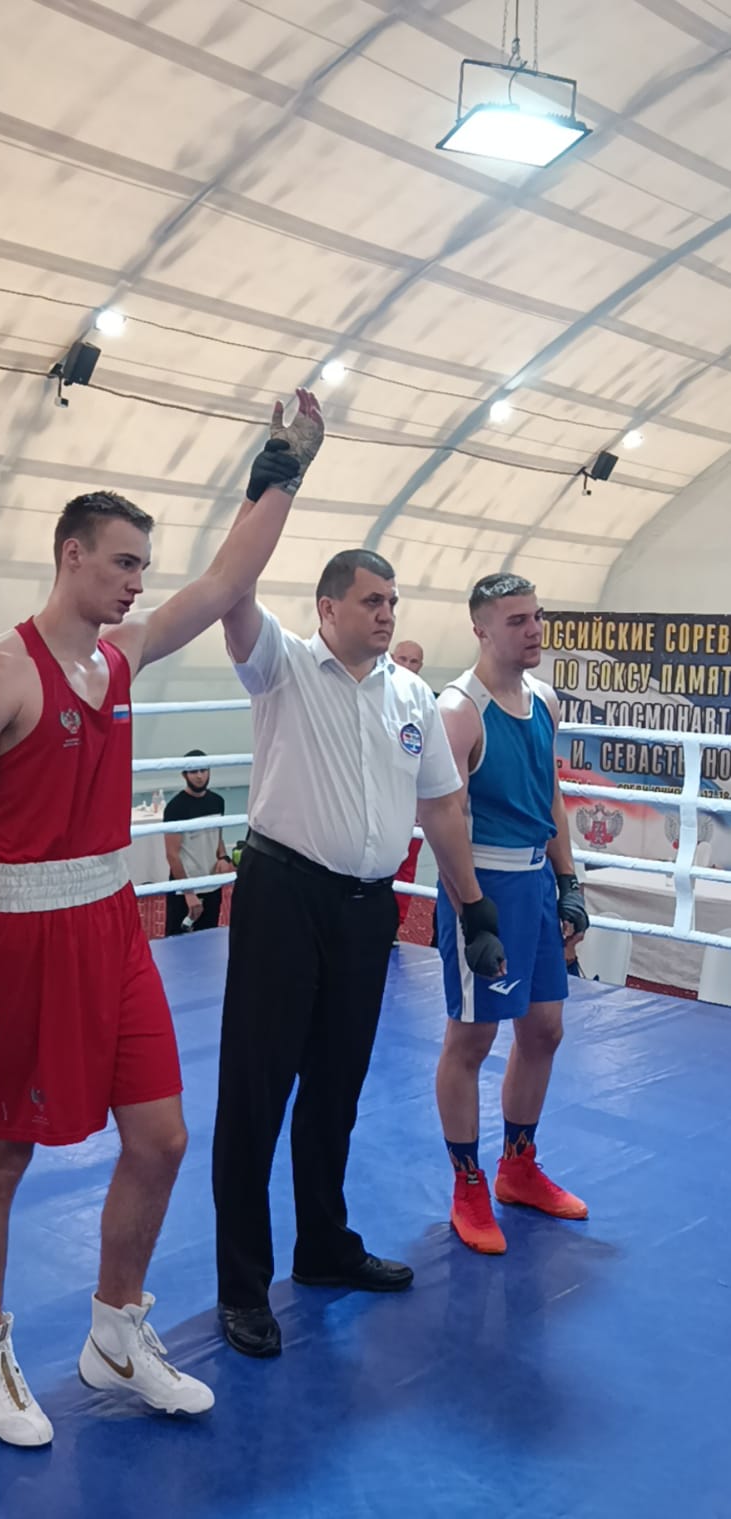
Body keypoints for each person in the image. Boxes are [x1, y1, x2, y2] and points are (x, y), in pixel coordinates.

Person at [0, 390, 325, 1447]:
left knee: (160, 1136)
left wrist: (283, 472)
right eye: (121, 562)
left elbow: (225, 581)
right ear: (71, 557)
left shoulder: (120, 656)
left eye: (143, 565)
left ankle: (114, 1332)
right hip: (20, 937)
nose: (137, 581)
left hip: (112, 926)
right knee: (1, 1154)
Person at [212, 549, 505, 1357]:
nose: (386, 613)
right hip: (282, 896)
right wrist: (270, 491)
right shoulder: (280, 665)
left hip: (365, 909)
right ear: (327, 608)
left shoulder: (410, 694)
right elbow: (232, 596)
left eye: (392, 601)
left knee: (336, 1085)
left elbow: (441, 807)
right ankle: (242, 1285)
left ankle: (321, 1245)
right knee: (255, 1093)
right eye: (372, 600)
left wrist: (472, 904)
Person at [433, 573, 590, 1257]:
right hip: (482, 883)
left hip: (534, 881)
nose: (533, 630)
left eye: (536, 616)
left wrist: (568, 879)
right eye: (517, 620)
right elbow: (442, 817)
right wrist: (472, 911)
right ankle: (467, 1183)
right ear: (481, 629)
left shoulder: (544, 699)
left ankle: (517, 1167)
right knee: (470, 1040)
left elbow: (549, 792)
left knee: (545, 1029)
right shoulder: (458, 710)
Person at [163, 750, 234, 936]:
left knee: (208, 938)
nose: (200, 776)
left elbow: (217, 837)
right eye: (194, 771)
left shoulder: (217, 801)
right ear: (184, 774)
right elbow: (172, 854)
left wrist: (223, 857)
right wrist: (188, 893)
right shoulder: (175, 808)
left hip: (212, 884)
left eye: (203, 770)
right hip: (185, 888)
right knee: (176, 942)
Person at [391, 641, 426, 935]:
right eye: (402, 659)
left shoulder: (428, 704)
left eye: (413, 661)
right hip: (379, 796)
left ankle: (395, 925)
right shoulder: (373, 696)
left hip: (413, 796)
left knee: (407, 863)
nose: (407, 666)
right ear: (392, 659)